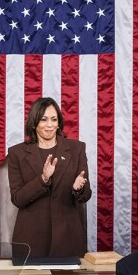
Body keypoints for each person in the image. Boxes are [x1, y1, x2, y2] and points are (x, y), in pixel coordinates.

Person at [7, 96, 91, 257]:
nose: (50, 125)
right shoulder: (16, 153)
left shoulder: (76, 149)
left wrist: (78, 188)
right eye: (44, 119)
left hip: (68, 238)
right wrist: (43, 179)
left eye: (54, 119)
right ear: (34, 122)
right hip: (31, 240)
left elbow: (85, 195)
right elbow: (18, 199)